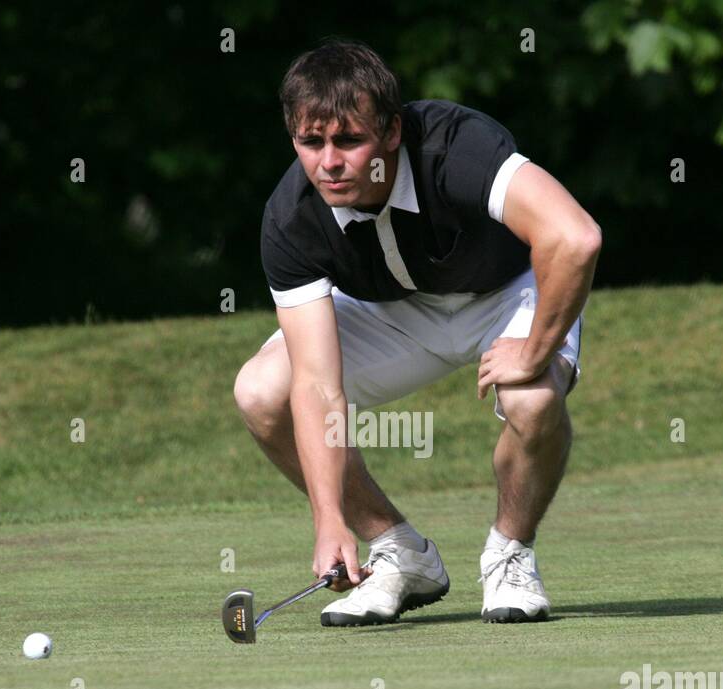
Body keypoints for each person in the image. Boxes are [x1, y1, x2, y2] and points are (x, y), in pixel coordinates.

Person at [234, 39, 602, 626]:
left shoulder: (456, 147)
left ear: (392, 132)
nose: (329, 162)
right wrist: (328, 518)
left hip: (507, 291)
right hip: (393, 312)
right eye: (311, 142)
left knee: (531, 401)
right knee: (261, 391)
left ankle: (509, 554)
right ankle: (401, 554)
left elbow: (575, 237)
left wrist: (534, 351)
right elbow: (317, 387)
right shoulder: (291, 217)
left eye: (349, 141)